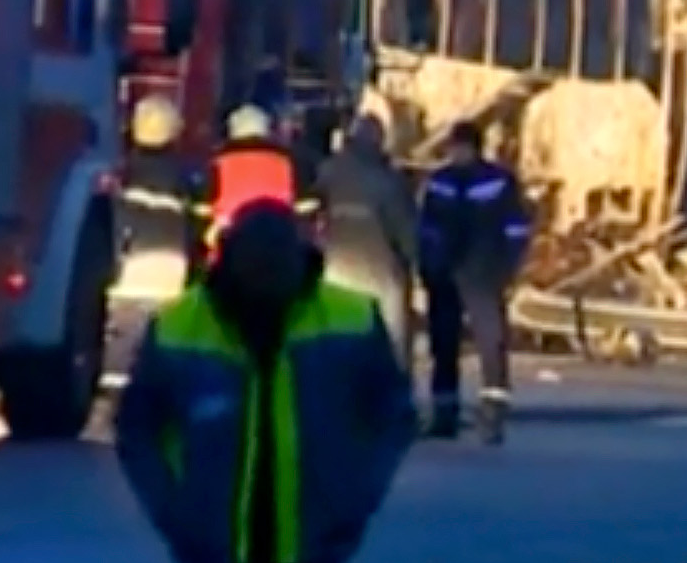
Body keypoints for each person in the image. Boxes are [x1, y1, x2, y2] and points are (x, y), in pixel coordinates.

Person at [114, 202, 417, 563]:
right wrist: (172, 510)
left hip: (313, 543)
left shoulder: (348, 317)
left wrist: (356, 497)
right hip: (215, 545)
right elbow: (137, 426)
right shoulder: (181, 324)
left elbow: (393, 414)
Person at [418, 120, 531, 443]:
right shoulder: (441, 182)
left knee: (489, 342)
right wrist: (427, 266)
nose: (455, 152)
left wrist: (507, 269)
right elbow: (426, 229)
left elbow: (516, 229)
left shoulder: (494, 181)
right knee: (445, 343)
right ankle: (445, 411)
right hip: (449, 273)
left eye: (458, 146)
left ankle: (492, 410)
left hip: (481, 272)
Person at [316, 113, 419, 362]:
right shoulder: (388, 180)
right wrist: (415, 260)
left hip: (335, 267)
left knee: (337, 335)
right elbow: (404, 229)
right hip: (379, 270)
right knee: (391, 338)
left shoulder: (328, 171)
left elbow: (316, 216)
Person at [112, 95, 199, 350]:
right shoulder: (185, 177)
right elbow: (195, 231)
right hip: (172, 273)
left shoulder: (121, 173)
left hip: (125, 272)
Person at [193, 105, 319, 269]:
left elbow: (202, 205)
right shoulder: (287, 162)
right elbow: (307, 202)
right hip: (279, 247)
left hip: (228, 252)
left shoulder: (218, 162)